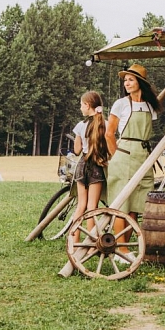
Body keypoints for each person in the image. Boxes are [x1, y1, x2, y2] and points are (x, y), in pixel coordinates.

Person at [106, 64, 160, 221]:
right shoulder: (121, 103)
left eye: (130, 80)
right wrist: (116, 157)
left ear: (140, 83)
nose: (126, 83)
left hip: (143, 155)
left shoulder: (151, 105)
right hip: (124, 155)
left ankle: (126, 244)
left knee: (136, 205)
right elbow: (109, 134)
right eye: (125, 80)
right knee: (122, 205)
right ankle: (120, 245)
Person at [69, 92, 110, 244]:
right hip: (97, 166)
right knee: (92, 207)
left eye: (81, 105)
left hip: (82, 166)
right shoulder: (104, 124)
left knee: (81, 206)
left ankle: (73, 242)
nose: (80, 108)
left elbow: (77, 150)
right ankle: (90, 241)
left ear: (87, 105)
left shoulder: (80, 125)